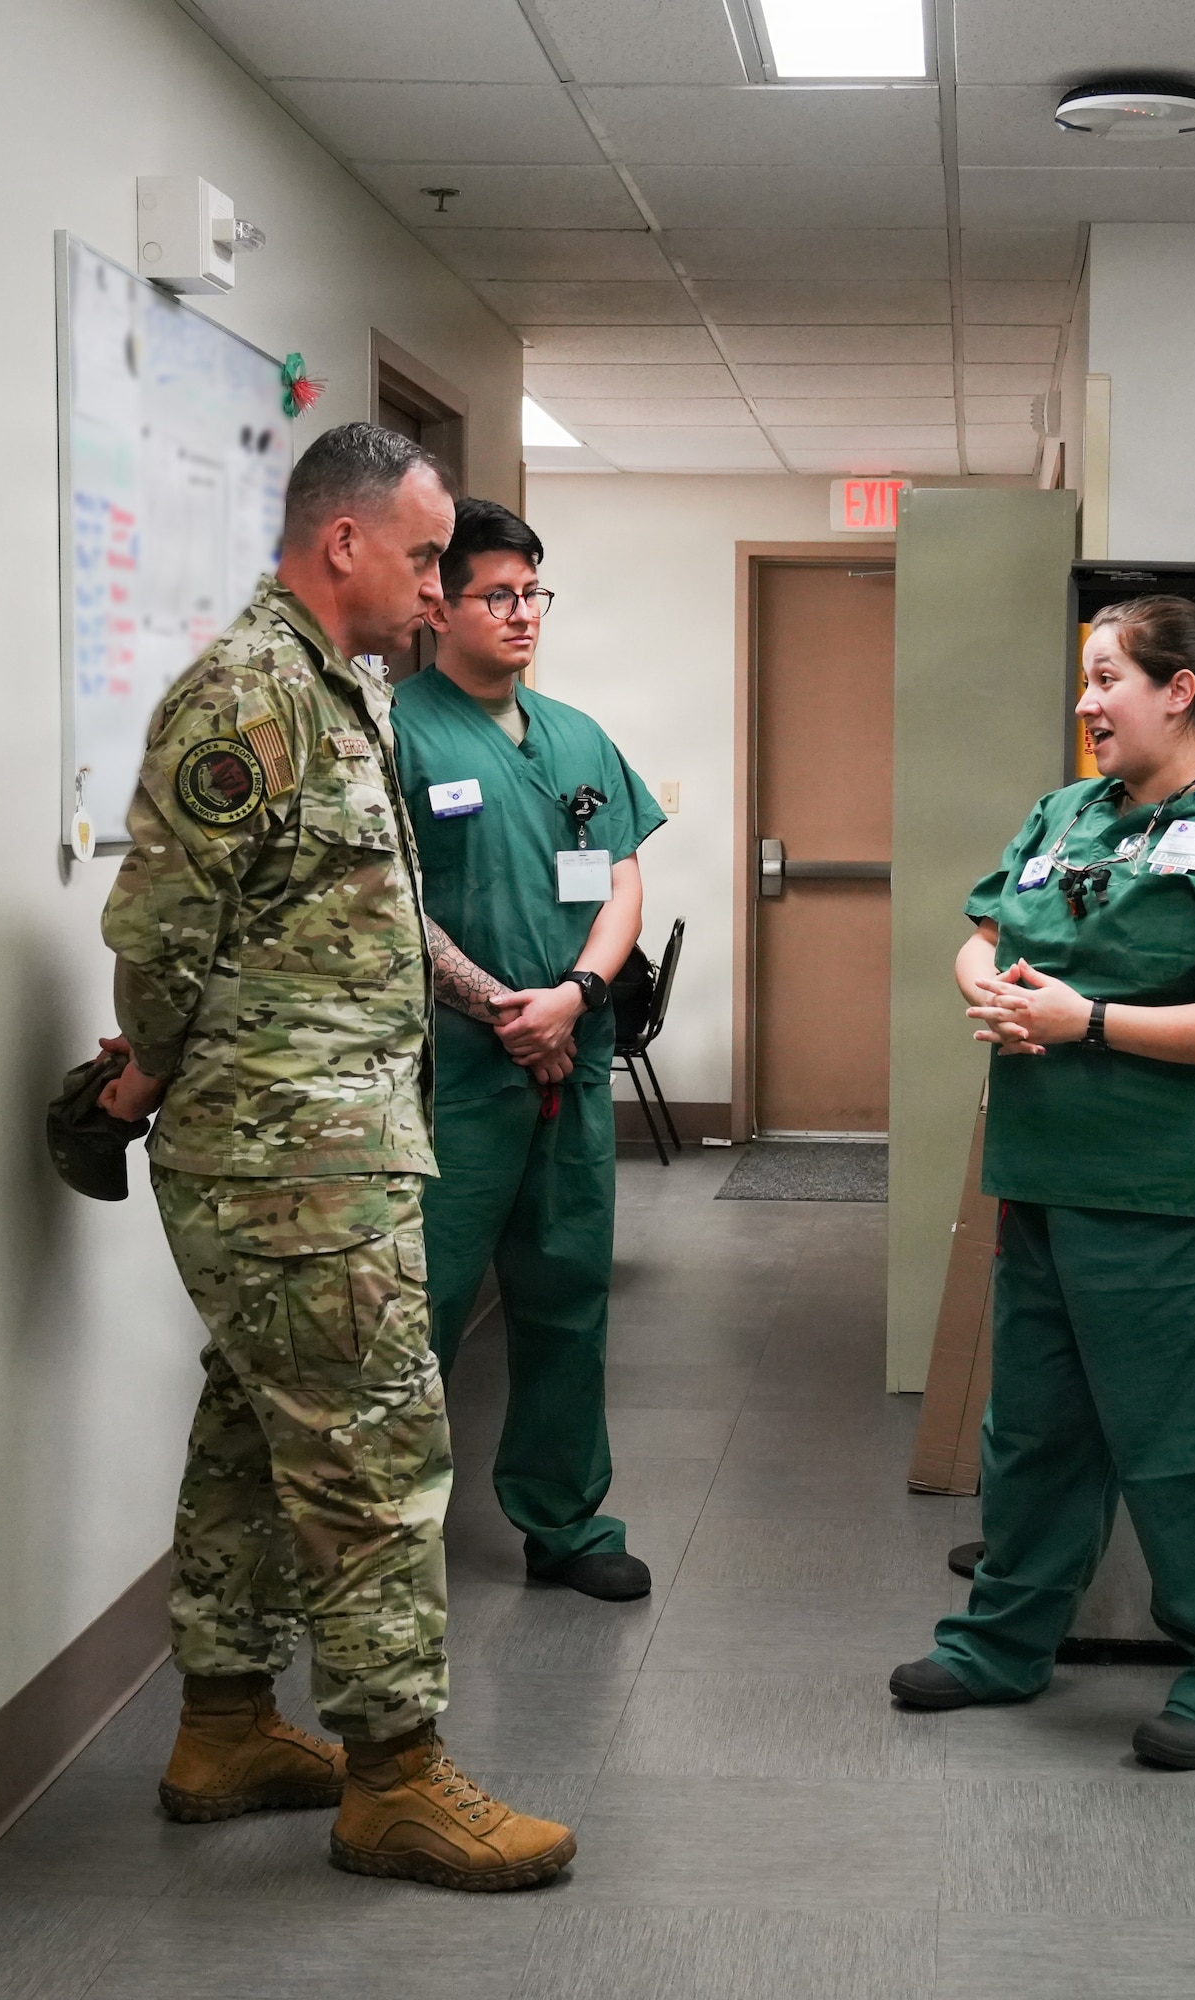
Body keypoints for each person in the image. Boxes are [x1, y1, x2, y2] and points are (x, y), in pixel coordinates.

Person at [97, 423, 575, 1889]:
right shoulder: (249, 697)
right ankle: (397, 1777)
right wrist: (148, 1082)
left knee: (251, 1439)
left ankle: (226, 1725)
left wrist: (481, 995)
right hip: (284, 1164)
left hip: (328, 1144)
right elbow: (159, 945)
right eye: (427, 559)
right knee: (381, 1461)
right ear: (345, 542)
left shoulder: (338, 694)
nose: (440, 590)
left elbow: (352, 908)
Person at [889, 595, 1195, 1771]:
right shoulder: (1067, 813)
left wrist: (1079, 1019)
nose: (1086, 704)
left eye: (1106, 679)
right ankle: (1001, 1640)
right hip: (1047, 1183)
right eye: (1083, 681)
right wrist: (987, 983)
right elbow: (982, 925)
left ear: (1179, 692)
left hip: (1179, 1203)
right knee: (1032, 1436)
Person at [391, 498, 665, 1602]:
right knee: (423, 1309)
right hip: (457, 1073)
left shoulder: (577, 735)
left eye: (531, 592)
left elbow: (623, 873)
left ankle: (564, 1520)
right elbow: (389, 903)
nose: (520, 614)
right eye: (494, 594)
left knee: (565, 1295)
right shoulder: (395, 728)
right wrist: (513, 1014)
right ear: (436, 605)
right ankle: (384, 1544)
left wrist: (579, 993)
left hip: (569, 1059)